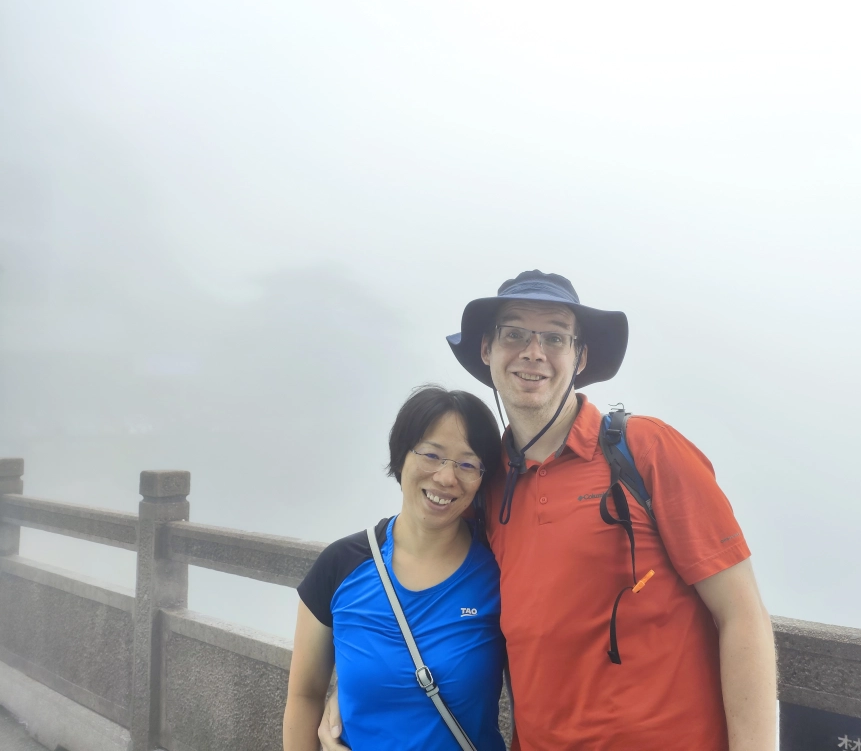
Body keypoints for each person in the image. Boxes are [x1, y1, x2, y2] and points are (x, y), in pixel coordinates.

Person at [322, 270, 777, 751]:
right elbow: (425, 585)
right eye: (513, 333)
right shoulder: (487, 484)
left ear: (579, 357)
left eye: (555, 337)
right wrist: (351, 690)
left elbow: (742, 614)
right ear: (487, 351)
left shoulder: (646, 451)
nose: (533, 351)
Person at [285, 385, 506, 751]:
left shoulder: (497, 572)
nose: (447, 478)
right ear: (401, 455)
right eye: (432, 455)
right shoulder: (341, 565)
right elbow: (305, 695)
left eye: (468, 463)